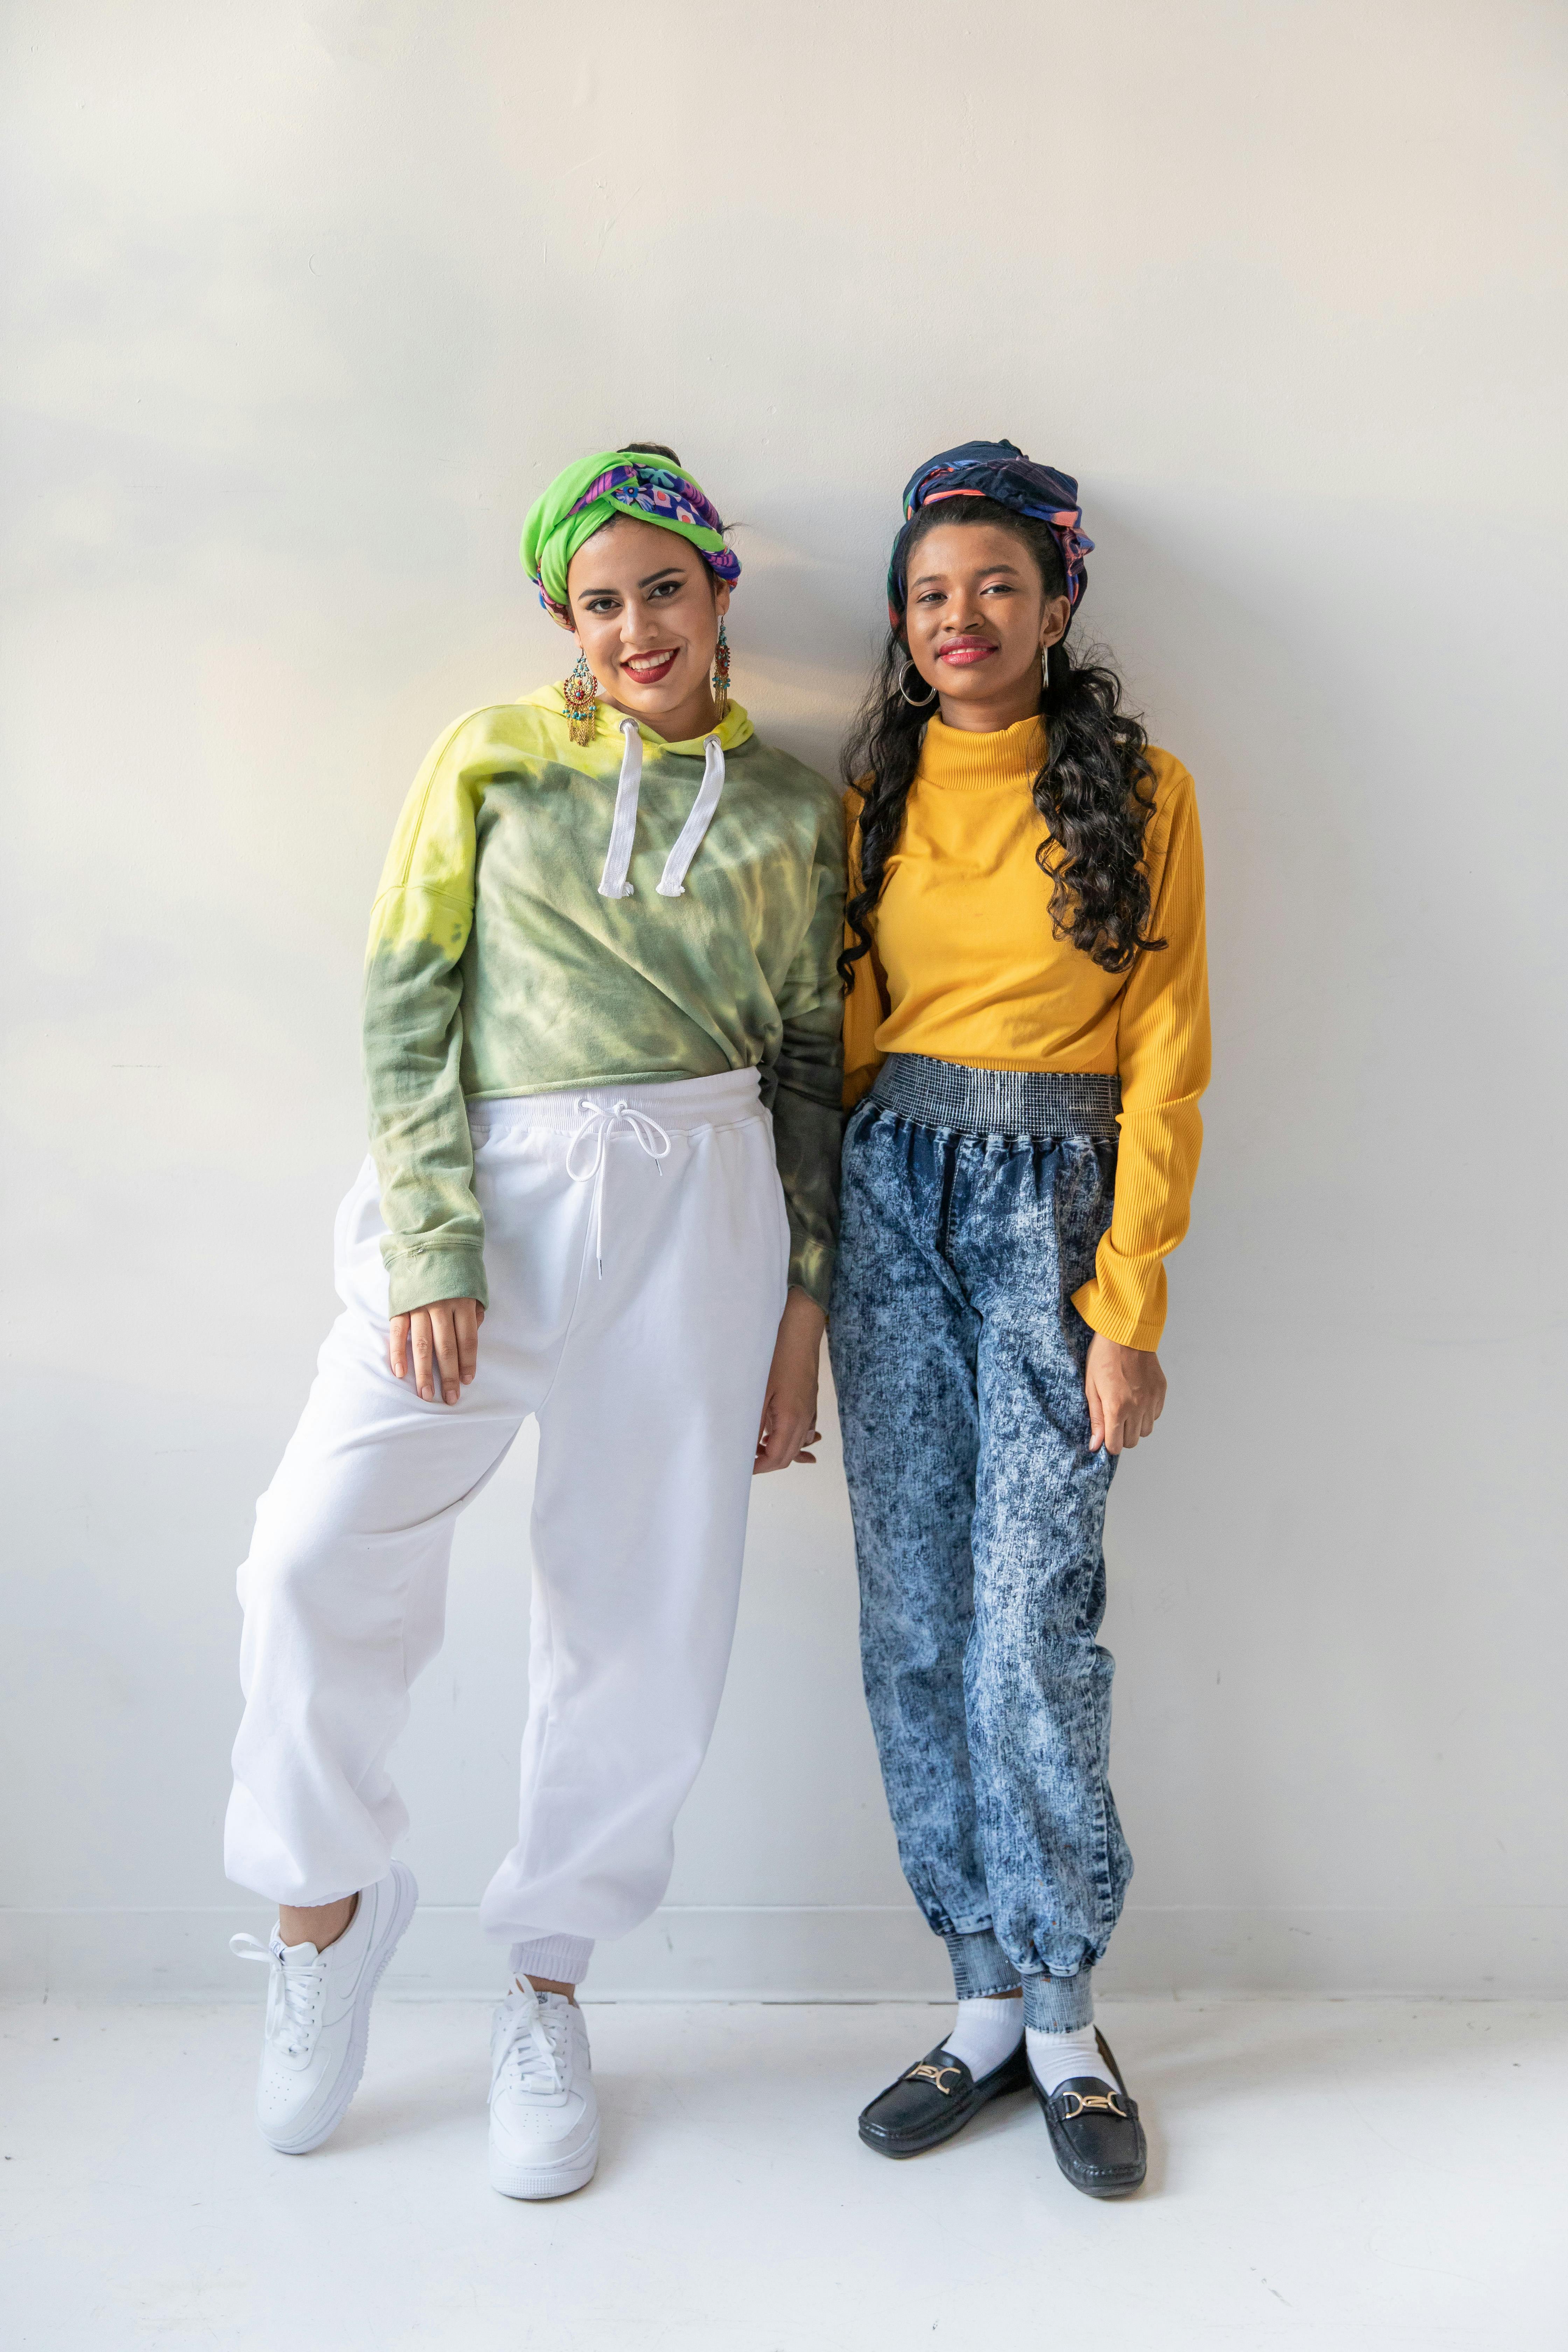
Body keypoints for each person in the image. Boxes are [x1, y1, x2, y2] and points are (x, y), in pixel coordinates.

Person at [224, 443, 845, 2199]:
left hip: (702, 1210)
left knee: (640, 1612)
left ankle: (549, 1981)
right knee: (309, 1555)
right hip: (488, 1201)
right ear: (564, 623)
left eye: (666, 590)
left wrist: (800, 1311)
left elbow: (816, 1061)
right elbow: (406, 993)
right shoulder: (491, 759)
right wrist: (433, 1236)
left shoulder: (797, 813)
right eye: (601, 602)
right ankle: (325, 1913)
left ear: (718, 594)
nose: (637, 629)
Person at [830, 439, 1209, 2198]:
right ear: (902, 624)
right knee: (914, 1614)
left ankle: (1064, 2015)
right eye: (929, 593)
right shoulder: (873, 795)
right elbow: (837, 1045)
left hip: (1053, 1212)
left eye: (995, 584)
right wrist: (805, 1288)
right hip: (890, 1193)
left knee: (1027, 1621)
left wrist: (1125, 1307)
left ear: (1057, 604)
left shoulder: (1143, 793)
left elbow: (1168, 1054)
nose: (959, 616)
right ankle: (977, 1995)